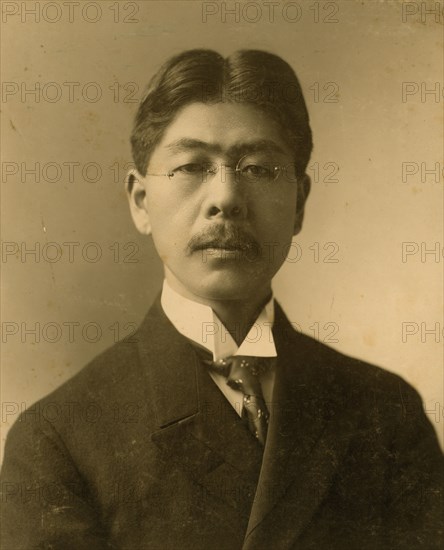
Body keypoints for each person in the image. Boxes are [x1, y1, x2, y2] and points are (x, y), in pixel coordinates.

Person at [1, 49, 443, 550]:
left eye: (257, 168)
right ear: (141, 200)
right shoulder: (57, 439)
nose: (226, 197)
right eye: (192, 166)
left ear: (299, 202)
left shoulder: (385, 412)